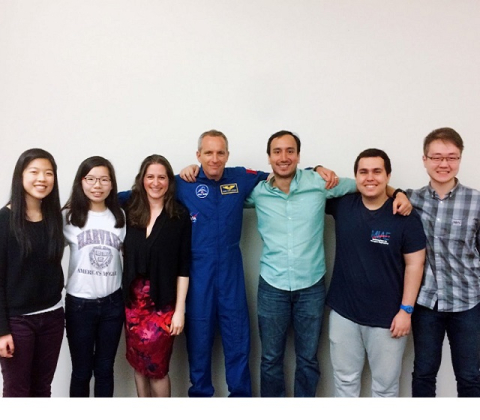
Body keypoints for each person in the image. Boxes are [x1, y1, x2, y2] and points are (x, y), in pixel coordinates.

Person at [244, 131, 411, 397]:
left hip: (311, 286)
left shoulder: (319, 183)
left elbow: (365, 184)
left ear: (298, 155)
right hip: (272, 286)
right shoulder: (257, 192)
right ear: (269, 157)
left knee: (308, 360)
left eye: (290, 151)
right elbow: (222, 194)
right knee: (270, 360)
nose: (284, 157)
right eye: (277, 151)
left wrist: (398, 192)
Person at [176, 129, 338, 397]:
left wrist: (316, 168)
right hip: (198, 274)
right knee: (199, 343)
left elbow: (283, 174)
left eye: (220, 153)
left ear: (227, 155)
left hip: (230, 272)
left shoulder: (241, 178)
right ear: (198, 155)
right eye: (208, 153)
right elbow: (146, 192)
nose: (214, 159)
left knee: (238, 340)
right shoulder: (184, 182)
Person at [326, 148, 426, 397]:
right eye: (364, 172)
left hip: (388, 320)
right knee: (344, 382)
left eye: (377, 172)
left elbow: (416, 265)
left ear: (388, 175)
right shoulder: (342, 205)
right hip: (344, 315)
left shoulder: (404, 216)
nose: (370, 178)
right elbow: (305, 185)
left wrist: (406, 310)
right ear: (356, 176)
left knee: (385, 388)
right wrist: (318, 168)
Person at [406, 128, 480, 397]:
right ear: (424, 159)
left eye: (451, 157)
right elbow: (384, 191)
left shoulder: (476, 201)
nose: (444, 164)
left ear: (460, 160)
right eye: (436, 157)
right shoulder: (411, 199)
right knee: (424, 373)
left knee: (470, 376)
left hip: (468, 301)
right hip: (427, 303)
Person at [122, 154, 191, 397]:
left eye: (161, 177)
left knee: (157, 368)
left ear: (169, 182)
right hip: (132, 305)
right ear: (142, 180)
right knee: (138, 362)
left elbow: (184, 267)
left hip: (162, 305)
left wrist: (179, 310)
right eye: (150, 176)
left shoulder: (179, 217)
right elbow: (99, 198)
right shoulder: (129, 212)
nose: (155, 182)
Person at [0, 148, 64, 397]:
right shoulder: (4, 220)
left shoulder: (53, 217)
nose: (42, 179)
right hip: (18, 322)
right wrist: (2, 330)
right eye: (34, 172)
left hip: (53, 317)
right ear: (20, 175)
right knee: (17, 392)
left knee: (42, 389)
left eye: (48, 173)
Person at [62, 156, 126, 397]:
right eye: (91, 179)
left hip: (112, 303)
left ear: (111, 184)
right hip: (79, 304)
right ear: (81, 182)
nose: (97, 185)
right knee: (81, 371)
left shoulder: (120, 216)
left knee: (104, 369)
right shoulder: (68, 216)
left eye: (103, 179)